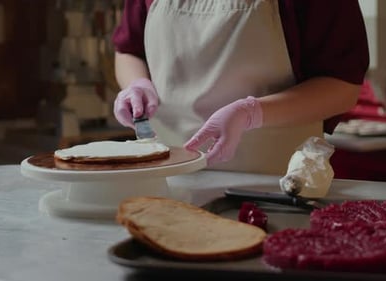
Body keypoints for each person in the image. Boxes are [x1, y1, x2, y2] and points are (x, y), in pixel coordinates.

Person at [111, 0, 369, 175]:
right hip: (166, 178)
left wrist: (252, 112)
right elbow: (128, 51)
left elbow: (342, 87)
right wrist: (137, 84)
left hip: (276, 184)